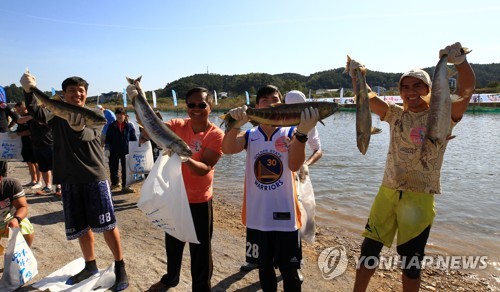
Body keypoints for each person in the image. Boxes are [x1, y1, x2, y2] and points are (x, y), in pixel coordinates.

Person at [349, 42, 475, 292]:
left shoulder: (443, 114)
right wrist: (356, 74)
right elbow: (367, 97)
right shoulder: (396, 115)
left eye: (417, 85)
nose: (410, 91)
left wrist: (460, 62)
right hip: (387, 192)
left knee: (411, 261)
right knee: (368, 252)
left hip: (420, 198)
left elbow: (467, 89)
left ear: (430, 89)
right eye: (405, 87)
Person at [20, 73, 129, 291]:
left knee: (107, 224)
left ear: (86, 94)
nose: (77, 94)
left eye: (81, 91)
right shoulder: (56, 114)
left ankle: (120, 267)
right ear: (64, 94)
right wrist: (28, 91)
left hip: (93, 175)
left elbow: (92, 135)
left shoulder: (96, 114)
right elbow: (37, 113)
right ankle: (90, 265)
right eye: (72, 90)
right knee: (80, 226)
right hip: (68, 177)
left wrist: (80, 129)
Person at [222, 85, 319, 292]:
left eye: (275, 99)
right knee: (264, 269)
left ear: (282, 104)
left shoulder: (291, 131)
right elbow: (228, 149)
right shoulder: (250, 135)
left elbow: (294, 166)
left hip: (286, 216)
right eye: (264, 100)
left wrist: (302, 135)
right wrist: (235, 125)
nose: (270, 103)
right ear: (257, 105)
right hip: (258, 216)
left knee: (290, 272)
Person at [128, 84, 224, 292]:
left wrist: (185, 158)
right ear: (186, 106)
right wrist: (138, 101)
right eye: (191, 104)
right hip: (174, 197)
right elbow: (151, 128)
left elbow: (204, 169)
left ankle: (201, 288)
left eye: (202, 104)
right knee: (173, 243)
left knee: (201, 250)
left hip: (199, 200)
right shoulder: (178, 124)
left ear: (211, 107)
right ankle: (171, 278)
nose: (196, 108)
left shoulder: (215, 134)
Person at [104, 107, 137, 193]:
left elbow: (134, 139)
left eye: (121, 114)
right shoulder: (111, 126)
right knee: (113, 167)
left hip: (126, 151)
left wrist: (135, 149)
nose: (119, 116)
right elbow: (107, 139)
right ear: (115, 115)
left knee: (126, 169)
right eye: (117, 114)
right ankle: (115, 183)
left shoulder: (129, 126)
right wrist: (107, 149)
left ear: (124, 115)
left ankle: (125, 185)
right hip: (113, 150)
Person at [0, 176, 35, 246]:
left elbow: (22, 207)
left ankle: (24, 253)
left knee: (25, 226)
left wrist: (16, 219)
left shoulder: (11, 184)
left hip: (6, 220)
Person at [13, 102, 41, 187]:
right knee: (29, 162)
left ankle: (39, 181)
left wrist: (18, 134)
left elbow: (31, 131)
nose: (19, 111)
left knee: (36, 163)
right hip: (25, 143)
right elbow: (19, 129)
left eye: (20, 109)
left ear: (25, 108)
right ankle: (33, 179)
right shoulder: (21, 117)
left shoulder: (31, 117)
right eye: (17, 110)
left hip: (33, 142)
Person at [0, 100, 21, 177]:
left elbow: (16, 118)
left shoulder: (3, 105)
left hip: (2, 135)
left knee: (2, 158)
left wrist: (8, 127)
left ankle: (3, 178)